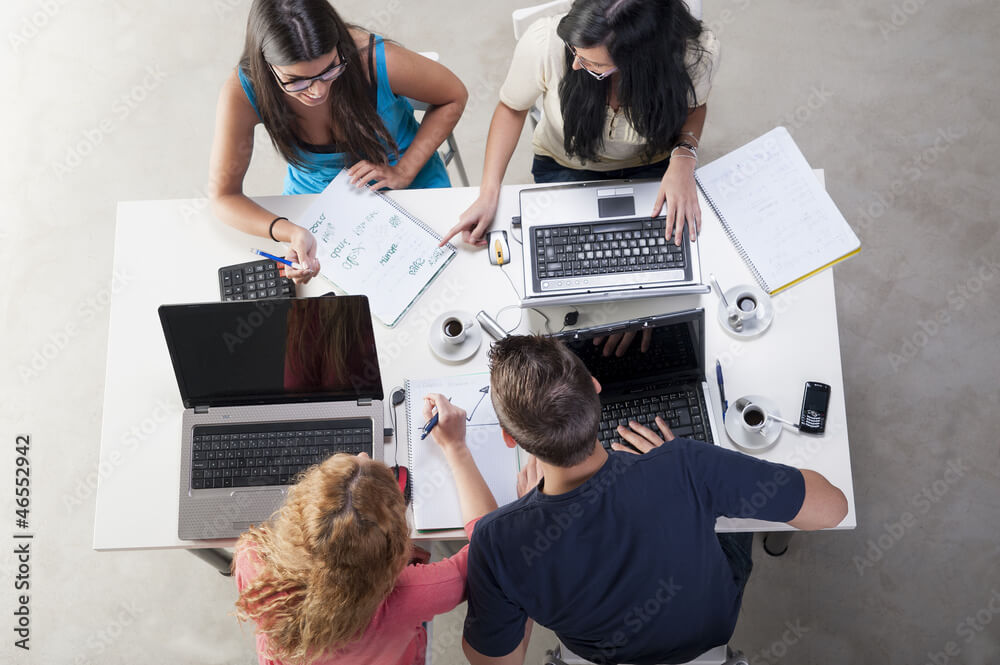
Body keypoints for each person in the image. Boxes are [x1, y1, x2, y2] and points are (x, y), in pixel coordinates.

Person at [462, 335, 849, 665]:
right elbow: (833, 508)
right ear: (596, 388)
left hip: (601, 654)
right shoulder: (684, 464)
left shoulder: (497, 542)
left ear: (509, 438)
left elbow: (497, 661)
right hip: (709, 634)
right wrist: (680, 463)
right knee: (732, 519)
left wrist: (522, 535)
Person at [209, 0, 468, 283]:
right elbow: (224, 196)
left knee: (444, 278)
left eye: (330, 69)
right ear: (266, 66)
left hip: (409, 184)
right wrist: (291, 232)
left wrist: (405, 170)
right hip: (320, 206)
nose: (318, 91)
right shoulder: (244, 90)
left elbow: (453, 95)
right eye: (296, 81)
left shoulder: (375, 59)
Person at [233, 394, 495, 665]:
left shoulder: (253, 560)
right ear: (396, 550)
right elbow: (491, 550)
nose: (362, 454)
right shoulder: (416, 594)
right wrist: (456, 448)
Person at [443, 0, 719, 249]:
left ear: (641, 64)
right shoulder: (544, 44)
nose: (575, 65)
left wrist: (684, 156)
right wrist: (489, 193)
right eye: (574, 51)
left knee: (668, 246)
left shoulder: (695, 54)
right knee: (565, 251)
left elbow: (695, 107)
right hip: (565, 164)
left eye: (592, 63)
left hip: (657, 163)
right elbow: (512, 109)